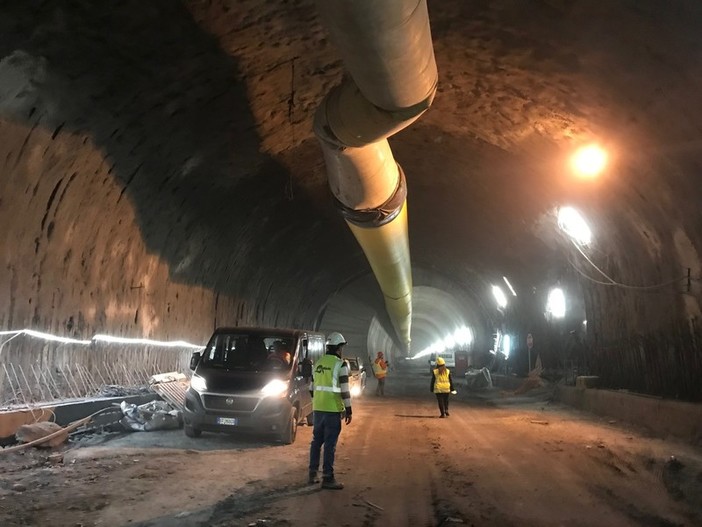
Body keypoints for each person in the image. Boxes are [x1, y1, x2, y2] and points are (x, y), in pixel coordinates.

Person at [308, 331, 352, 490]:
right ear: (339, 348)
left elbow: (311, 388)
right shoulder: (340, 365)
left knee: (316, 442)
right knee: (329, 445)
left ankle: (312, 473)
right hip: (332, 410)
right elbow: (345, 390)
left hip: (318, 409)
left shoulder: (318, 363)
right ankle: (328, 477)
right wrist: (348, 409)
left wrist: (316, 403)